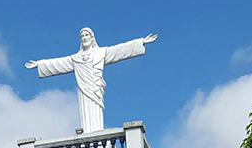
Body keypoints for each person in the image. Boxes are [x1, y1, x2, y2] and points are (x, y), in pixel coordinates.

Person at [24, 28, 157, 133]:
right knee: (85, 113)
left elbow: (119, 50)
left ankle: (96, 136)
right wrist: (39, 64)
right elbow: (58, 63)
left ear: (92, 38)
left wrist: (140, 42)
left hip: (95, 89)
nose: (84, 38)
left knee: (96, 111)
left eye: (86, 35)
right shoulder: (76, 59)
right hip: (83, 89)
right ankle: (88, 135)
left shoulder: (101, 53)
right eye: (82, 36)